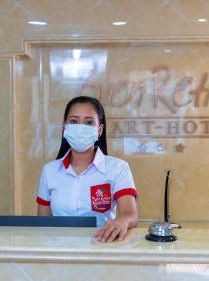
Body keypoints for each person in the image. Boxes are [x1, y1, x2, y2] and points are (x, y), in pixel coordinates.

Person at [36, 96, 138, 243]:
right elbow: (42, 225)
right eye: (74, 121)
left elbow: (130, 214)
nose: (81, 128)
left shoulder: (118, 168)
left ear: (100, 130)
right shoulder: (49, 171)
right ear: (65, 128)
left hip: (101, 249)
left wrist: (122, 221)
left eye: (89, 122)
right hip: (59, 253)